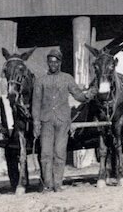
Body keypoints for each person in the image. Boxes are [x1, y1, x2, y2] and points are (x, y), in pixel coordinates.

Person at [32, 48, 94, 192]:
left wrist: (89, 94)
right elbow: (36, 103)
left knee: (60, 153)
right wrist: (36, 122)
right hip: (46, 121)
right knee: (46, 154)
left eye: (56, 62)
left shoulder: (67, 78)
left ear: (60, 63)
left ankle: (57, 185)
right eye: (51, 62)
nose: (53, 64)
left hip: (62, 122)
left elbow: (78, 95)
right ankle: (47, 185)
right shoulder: (40, 80)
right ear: (48, 63)